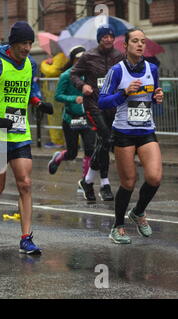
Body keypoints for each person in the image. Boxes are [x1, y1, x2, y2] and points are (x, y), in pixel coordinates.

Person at [0, 21, 53, 254]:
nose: (27, 48)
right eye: (23, 43)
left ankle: (26, 238)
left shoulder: (30, 65)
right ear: (12, 43)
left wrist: (37, 102)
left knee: (25, 183)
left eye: (29, 43)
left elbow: (29, 88)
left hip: (19, 132)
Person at [98, 28, 164, 244]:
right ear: (125, 45)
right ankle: (117, 226)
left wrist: (157, 96)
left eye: (143, 41)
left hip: (146, 130)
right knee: (128, 182)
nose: (140, 45)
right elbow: (102, 101)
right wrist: (123, 93)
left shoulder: (152, 69)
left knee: (154, 177)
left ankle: (138, 212)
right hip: (124, 132)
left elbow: (152, 97)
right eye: (135, 41)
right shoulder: (117, 71)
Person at [71, 25, 124, 202]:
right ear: (99, 39)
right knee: (107, 139)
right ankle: (105, 184)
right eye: (104, 37)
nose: (108, 39)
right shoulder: (88, 56)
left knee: (105, 142)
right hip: (94, 104)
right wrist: (82, 85)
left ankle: (87, 181)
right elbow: (74, 74)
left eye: (111, 36)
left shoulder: (119, 56)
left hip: (112, 105)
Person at [48, 46, 96, 181]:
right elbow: (58, 96)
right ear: (73, 59)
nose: (81, 61)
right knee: (72, 153)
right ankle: (58, 157)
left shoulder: (90, 74)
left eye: (83, 58)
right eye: (78, 58)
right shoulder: (66, 75)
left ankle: (86, 181)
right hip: (71, 118)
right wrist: (73, 99)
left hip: (87, 117)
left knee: (90, 149)